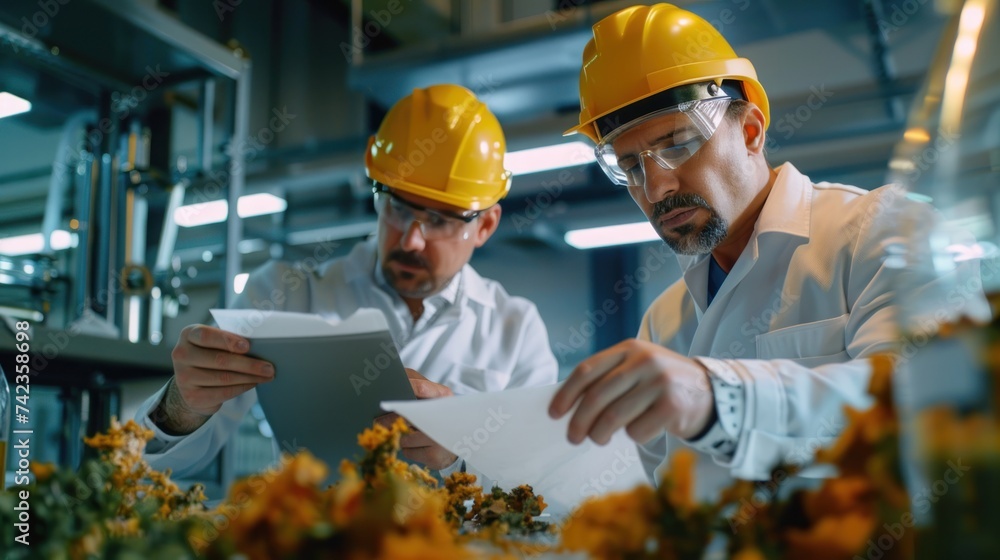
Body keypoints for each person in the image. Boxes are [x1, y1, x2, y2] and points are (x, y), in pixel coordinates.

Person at [549, 3, 982, 499]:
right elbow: (667, 501)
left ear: (751, 131)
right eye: (630, 166)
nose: (655, 187)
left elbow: (932, 405)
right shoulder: (663, 325)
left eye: (677, 144)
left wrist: (720, 400)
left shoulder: (883, 231)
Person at [136, 84, 558, 479]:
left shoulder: (517, 331)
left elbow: (540, 481)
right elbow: (156, 468)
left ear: (485, 225)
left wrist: (459, 454)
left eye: (439, 220)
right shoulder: (286, 294)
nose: (411, 239)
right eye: (396, 206)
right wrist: (181, 406)